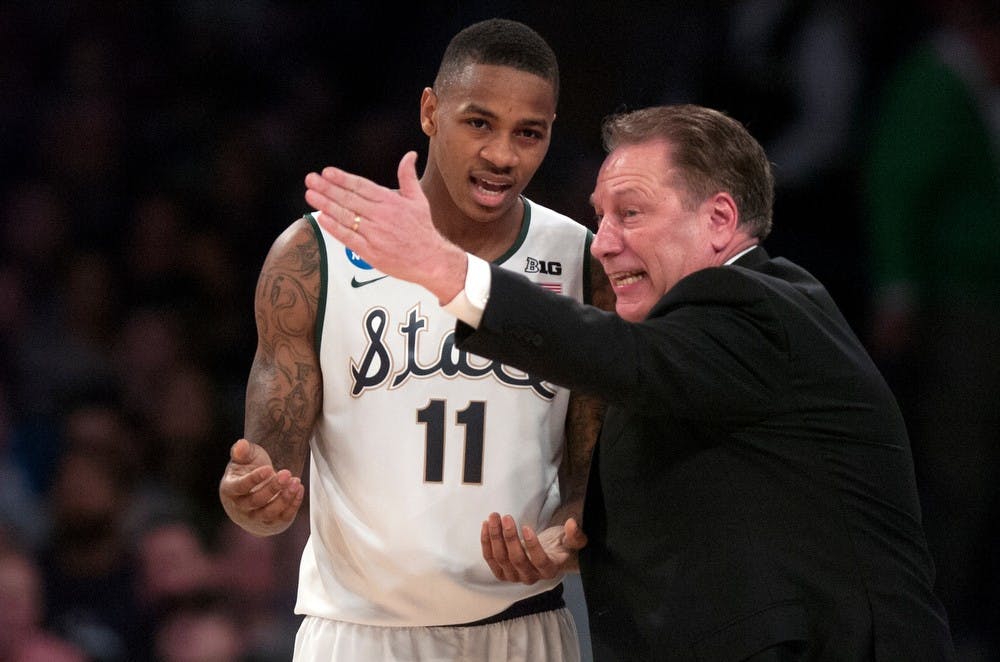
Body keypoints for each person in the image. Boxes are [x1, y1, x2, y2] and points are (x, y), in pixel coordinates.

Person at [304, 103, 957, 660]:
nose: (601, 243)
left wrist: (447, 270)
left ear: (721, 221)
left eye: (631, 213)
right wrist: (566, 538)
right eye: (599, 216)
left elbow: (617, 356)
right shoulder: (693, 349)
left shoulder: (753, 305)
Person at [219, 18, 611, 661]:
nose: (502, 155)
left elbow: (590, 479)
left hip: (526, 626)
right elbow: (270, 469)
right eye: (479, 123)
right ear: (430, 111)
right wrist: (253, 499)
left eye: (529, 133)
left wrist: (565, 536)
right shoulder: (314, 254)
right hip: (358, 634)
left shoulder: (579, 258)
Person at [862, 1, 1000, 656]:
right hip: (955, 303)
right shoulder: (936, 80)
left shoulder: (973, 87)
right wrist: (899, 289)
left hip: (978, 298)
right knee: (951, 464)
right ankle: (928, 622)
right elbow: (898, 184)